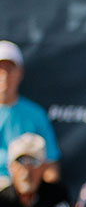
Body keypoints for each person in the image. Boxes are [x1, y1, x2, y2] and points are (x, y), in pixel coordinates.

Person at [0, 40, 58, 185]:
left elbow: (50, 167)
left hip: (24, 190)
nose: (5, 76)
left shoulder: (36, 115)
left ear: (20, 73)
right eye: (0, 69)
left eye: (10, 69)